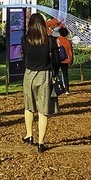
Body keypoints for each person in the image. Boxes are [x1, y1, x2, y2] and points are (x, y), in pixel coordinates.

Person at [21, 13, 59, 152]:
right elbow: (56, 60)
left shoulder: (24, 39)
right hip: (45, 74)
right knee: (43, 109)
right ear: (43, 24)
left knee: (29, 106)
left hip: (29, 74)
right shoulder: (50, 41)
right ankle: (41, 142)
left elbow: (24, 56)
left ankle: (29, 134)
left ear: (30, 25)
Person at [54, 25, 74, 94]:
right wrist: (71, 61)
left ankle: (55, 88)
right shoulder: (68, 42)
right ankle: (67, 90)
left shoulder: (57, 40)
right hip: (65, 60)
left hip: (57, 59)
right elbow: (70, 52)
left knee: (55, 74)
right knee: (65, 74)